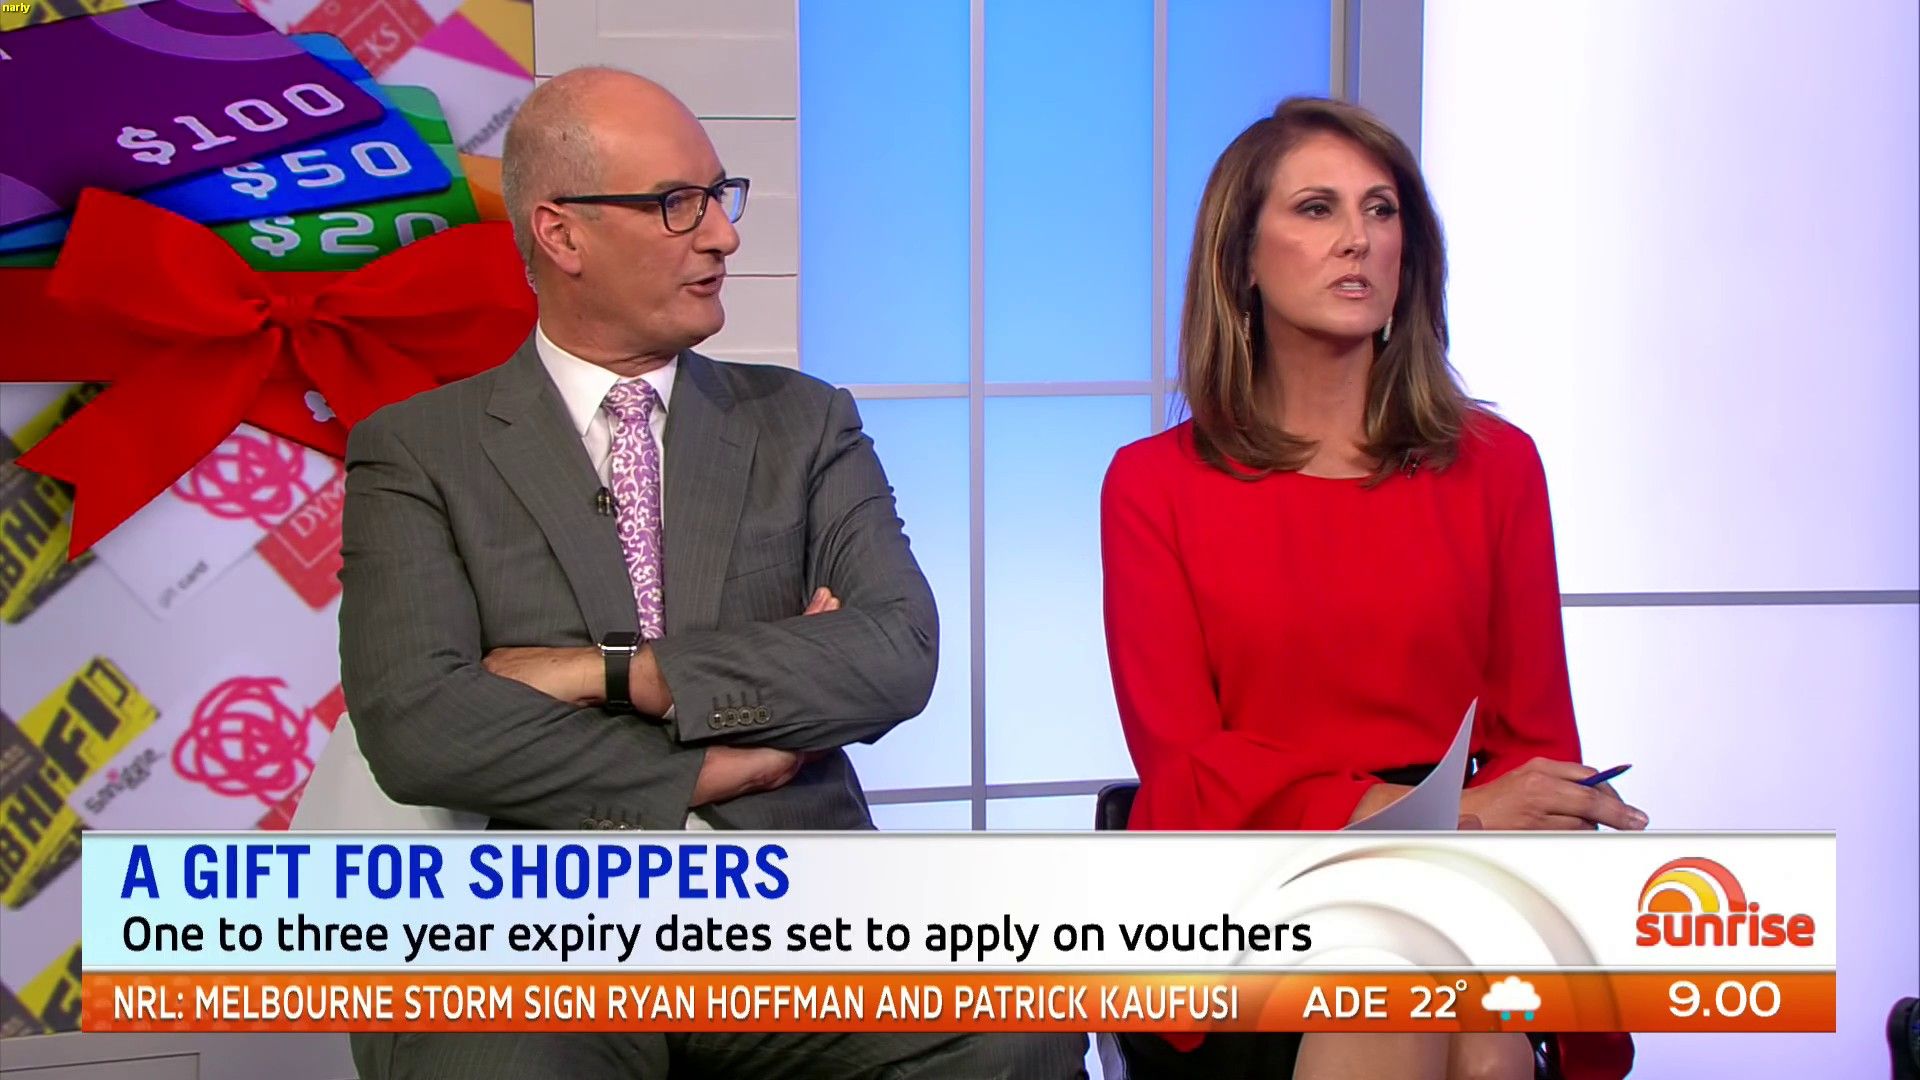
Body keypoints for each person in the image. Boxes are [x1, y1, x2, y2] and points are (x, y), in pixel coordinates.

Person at [338, 66, 1087, 1079]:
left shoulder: (803, 421)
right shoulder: (419, 450)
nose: (724, 235)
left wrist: (604, 673)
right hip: (541, 922)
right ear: (561, 234)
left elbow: (895, 651)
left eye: (718, 196)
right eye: (675, 203)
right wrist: (710, 764)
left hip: (801, 913)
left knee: (1016, 1026)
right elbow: (420, 724)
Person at [1099, 97, 1640, 1080]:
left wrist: (1499, 838)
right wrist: (1444, 818)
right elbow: (1188, 765)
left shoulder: (1498, 468)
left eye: (1381, 210)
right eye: (1317, 209)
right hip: (1249, 891)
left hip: (1466, 880)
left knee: (1464, 1008)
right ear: (1241, 260)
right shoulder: (1154, 486)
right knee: (1403, 971)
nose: (1358, 238)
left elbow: (1536, 737)